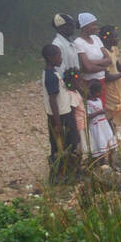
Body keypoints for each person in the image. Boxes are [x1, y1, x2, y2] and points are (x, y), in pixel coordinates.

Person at [51, 13, 88, 155]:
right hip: (67, 92)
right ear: (62, 28)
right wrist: (77, 86)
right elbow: (62, 75)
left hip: (75, 88)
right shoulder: (57, 46)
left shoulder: (70, 42)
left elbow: (75, 70)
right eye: (70, 25)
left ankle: (80, 153)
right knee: (71, 125)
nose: (73, 27)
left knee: (79, 124)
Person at [42, 44, 78, 182]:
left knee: (69, 142)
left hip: (64, 113)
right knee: (61, 145)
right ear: (51, 58)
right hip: (60, 116)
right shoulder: (50, 76)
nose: (61, 57)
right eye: (58, 55)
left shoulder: (54, 73)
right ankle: (57, 175)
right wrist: (57, 123)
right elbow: (52, 99)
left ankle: (67, 172)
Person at [96, 24, 121, 129]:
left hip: (117, 85)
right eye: (115, 37)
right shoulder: (103, 54)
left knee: (120, 107)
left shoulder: (113, 49)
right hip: (108, 87)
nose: (117, 39)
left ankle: (113, 135)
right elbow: (107, 77)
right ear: (106, 38)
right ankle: (110, 134)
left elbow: (117, 64)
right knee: (112, 111)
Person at [84, 79, 117, 165]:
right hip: (96, 127)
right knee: (100, 146)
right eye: (101, 90)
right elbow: (87, 116)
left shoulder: (98, 100)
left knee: (109, 144)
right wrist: (99, 112)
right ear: (97, 92)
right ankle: (99, 165)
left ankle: (110, 164)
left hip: (103, 125)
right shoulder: (88, 103)